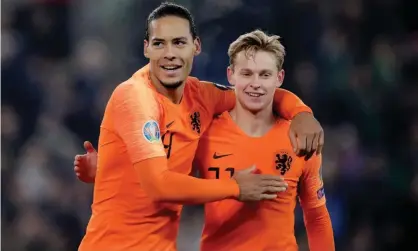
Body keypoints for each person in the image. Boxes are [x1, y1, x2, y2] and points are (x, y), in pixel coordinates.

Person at [76, 2, 324, 251]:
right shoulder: (136, 98)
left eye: (179, 43)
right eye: (159, 43)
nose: (169, 53)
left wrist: (301, 113)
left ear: (196, 46)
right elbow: (158, 185)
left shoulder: (202, 96)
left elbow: (255, 93)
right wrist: (235, 187)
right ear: (146, 49)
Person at [193, 29, 334, 251]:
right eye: (247, 74)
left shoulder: (300, 137)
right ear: (231, 76)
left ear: (280, 78)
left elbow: (316, 216)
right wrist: (230, 188)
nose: (255, 84)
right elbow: (170, 192)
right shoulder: (205, 135)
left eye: (265, 75)